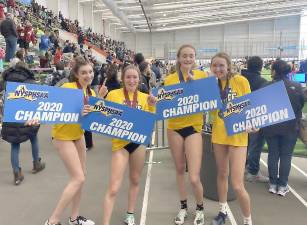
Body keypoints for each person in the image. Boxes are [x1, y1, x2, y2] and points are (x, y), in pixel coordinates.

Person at [101, 64, 156, 225]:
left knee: (135, 180)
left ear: (139, 79)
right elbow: (102, 116)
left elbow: (149, 122)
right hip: (120, 144)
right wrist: (100, 98)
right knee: (113, 187)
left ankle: (130, 213)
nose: (131, 80)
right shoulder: (113, 94)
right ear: (122, 79)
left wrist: (152, 106)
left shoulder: (145, 97)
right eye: (128, 77)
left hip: (138, 143)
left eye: (134, 77)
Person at [44, 57, 95, 225]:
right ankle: (52, 220)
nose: (88, 75)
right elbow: (53, 108)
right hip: (62, 136)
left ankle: (74, 218)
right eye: (84, 72)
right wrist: (35, 117)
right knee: (78, 178)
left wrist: (99, 104)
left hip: (78, 136)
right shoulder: (68, 88)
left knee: (82, 176)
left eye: (90, 72)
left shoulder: (91, 93)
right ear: (76, 74)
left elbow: (90, 121)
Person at [164, 44, 207, 225]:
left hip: (193, 127)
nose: (188, 59)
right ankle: (183, 207)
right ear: (179, 58)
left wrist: (194, 85)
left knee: (194, 176)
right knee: (180, 170)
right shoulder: (170, 79)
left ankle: (200, 208)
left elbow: (207, 100)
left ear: (194, 58)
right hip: (174, 127)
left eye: (191, 56)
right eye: (185, 56)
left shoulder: (202, 76)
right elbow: (167, 104)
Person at [210, 52, 252, 225]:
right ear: (211, 68)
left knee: (236, 183)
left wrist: (252, 122)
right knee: (221, 174)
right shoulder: (212, 85)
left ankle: (247, 220)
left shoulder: (240, 81)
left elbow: (250, 104)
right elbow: (210, 110)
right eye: (215, 66)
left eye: (221, 65)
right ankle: (222, 211)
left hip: (237, 135)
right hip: (219, 135)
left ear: (228, 66)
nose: (218, 69)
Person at [262, 59, 304, 196]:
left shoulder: (267, 86)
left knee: (273, 154)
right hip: (290, 127)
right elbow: (300, 104)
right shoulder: (297, 86)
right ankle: (282, 185)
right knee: (286, 156)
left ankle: (273, 184)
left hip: (271, 126)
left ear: (273, 71)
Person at [1, 61, 45, 185]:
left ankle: (16, 173)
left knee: (14, 145)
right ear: (26, 69)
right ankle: (36, 163)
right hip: (27, 117)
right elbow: (37, 100)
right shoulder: (30, 81)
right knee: (33, 137)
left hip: (10, 117)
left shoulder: (6, 80)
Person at [241, 56, 269, 182]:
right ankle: (252, 171)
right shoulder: (262, 81)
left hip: (239, 115)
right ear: (261, 66)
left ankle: (243, 166)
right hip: (255, 116)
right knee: (255, 144)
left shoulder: (239, 78)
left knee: (242, 142)